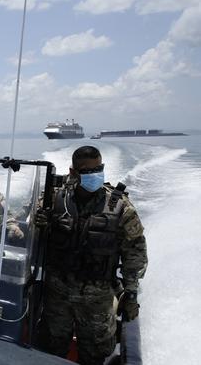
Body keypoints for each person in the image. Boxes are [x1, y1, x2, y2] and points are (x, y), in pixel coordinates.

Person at [37, 146, 148, 365]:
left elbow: (134, 253)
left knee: (95, 355)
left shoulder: (120, 207)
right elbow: (28, 232)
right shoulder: (54, 199)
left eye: (99, 168)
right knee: (51, 348)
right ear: (73, 172)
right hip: (57, 293)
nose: (95, 175)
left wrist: (131, 294)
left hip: (97, 297)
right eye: (87, 171)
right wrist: (39, 222)